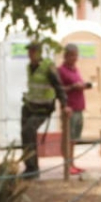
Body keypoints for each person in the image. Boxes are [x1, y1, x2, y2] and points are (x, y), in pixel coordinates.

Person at [20, 42, 68, 177]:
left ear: (39, 52)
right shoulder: (30, 66)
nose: (30, 54)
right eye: (29, 51)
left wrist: (64, 105)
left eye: (33, 51)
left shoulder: (48, 67)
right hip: (29, 106)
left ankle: (33, 169)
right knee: (25, 135)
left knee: (28, 130)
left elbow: (58, 86)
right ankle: (30, 167)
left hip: (43, 108)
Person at [57, 43, 92, 174]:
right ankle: (67, 165)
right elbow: (59, 89)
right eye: (71, 55)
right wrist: (72, 87)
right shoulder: (61, 70)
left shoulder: (76, 69)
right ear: (66, 55)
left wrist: (83, 85)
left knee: (74, 139)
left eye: (76, 55)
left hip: (79, 108)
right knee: (68, 138)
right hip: (69, 109)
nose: (74, 58)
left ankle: (72, 163)